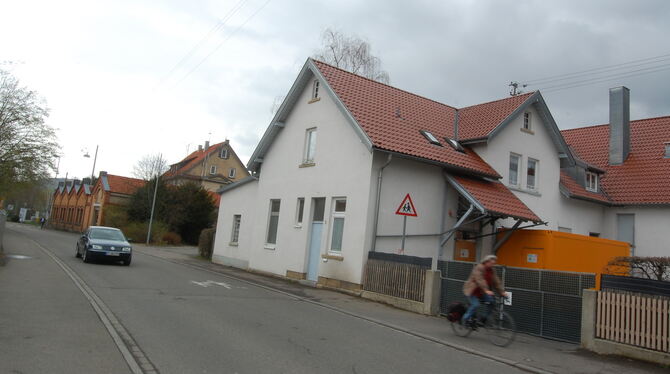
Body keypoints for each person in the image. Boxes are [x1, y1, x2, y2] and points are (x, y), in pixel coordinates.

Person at [461, 255, 507, 327]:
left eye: (494, 263)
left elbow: (496, 281)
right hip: (473, 292)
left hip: (482, 292)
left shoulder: (492, 270)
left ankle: (483, 319)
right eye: (492, 263)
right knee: (475, 305)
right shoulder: (479, 267)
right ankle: (465, 319)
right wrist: (486, 290)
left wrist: (502, 292)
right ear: (486, 262)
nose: (493, 264)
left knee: (492, 302)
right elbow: (480, 280)